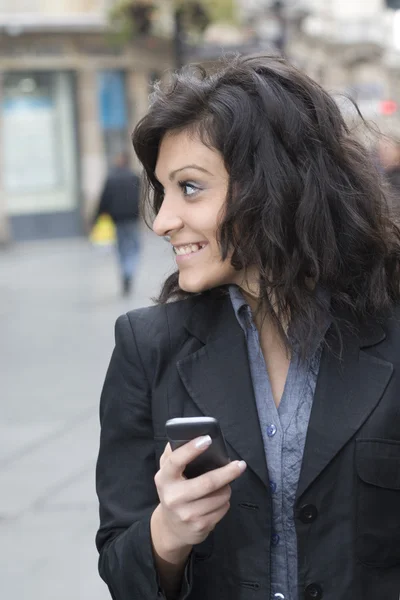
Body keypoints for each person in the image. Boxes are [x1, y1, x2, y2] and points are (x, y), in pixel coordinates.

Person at [95, 54, 400, 600]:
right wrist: (168, 533)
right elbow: (121, 569)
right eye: (162, 192)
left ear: (274, 185)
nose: (163, 220)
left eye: (189, 188)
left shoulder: (390, 330)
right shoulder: (146, 347)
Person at [94, 151, 141, 295]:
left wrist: (96, 218)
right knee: (134, 247)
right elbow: (140, 198)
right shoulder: (134, 177)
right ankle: (129, 270)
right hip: (132, 218)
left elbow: (104, 200)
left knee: (122, 249)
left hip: (118, 219)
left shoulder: (111, 179)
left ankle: (125, 271)